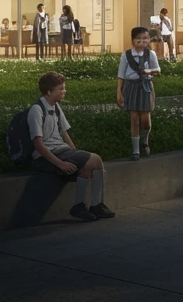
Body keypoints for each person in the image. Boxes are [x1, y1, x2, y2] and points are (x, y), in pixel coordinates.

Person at [29, 71, 114, 221]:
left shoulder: (56, 107)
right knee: (96, 159)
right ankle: (95, 205)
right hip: (48, 155)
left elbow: (64, 133)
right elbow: (38, 145)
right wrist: (60, 164)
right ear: (49, 92)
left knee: (89, 165)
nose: (64, 91)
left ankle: (82, 206)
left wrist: (76, 153)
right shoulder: (36, 110)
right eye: (61, 89)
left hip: (62, 150)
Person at [116, 27, 161, 160]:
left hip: (145, 86)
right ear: (133, 40)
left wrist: (150, 72)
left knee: (145, 120)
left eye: (145, 38)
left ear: (148, 40)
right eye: (138, 39)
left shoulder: (150, 54)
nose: (142, 41)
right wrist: (119, 91)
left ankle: (145, 140)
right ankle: (136, 151)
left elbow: (157, 70)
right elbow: (121, 75)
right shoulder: (126, 55)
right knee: (134, 119)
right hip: (131, 87)